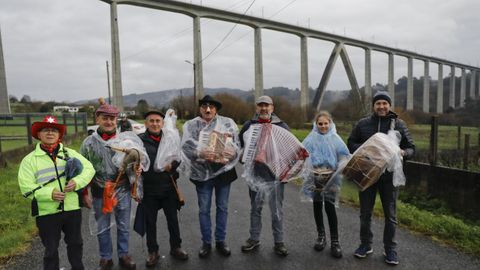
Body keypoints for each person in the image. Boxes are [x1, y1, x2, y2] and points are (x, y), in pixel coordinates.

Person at [18, 115, 95, 270]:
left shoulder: (69, 153)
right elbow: (26, 187)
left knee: (76, 244)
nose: (50, 133)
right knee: (51, 250)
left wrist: (77, 182)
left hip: (72, 209)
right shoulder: (30, 160)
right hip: (47, 212)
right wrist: (49, 194)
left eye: (54, 130)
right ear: (39, 134)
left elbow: (89, 169)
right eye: (46, 130)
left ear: (59, 135)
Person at [347, 91, 415, 265]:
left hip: (389, 177)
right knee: (365, 213)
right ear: (373, 106)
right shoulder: (363, 124)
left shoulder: (399, 124)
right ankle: (365, 245)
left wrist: (403, 152)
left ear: (389, 106)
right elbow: (351, 142)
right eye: (378, 103)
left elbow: (411, 148)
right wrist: (367, 148)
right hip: (367, 174)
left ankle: (390, 249)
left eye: (385, 103)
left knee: (390, 215)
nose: (382, 106)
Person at [181, 95, 240, 258]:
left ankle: (220, 241)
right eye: (204, 106)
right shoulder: (191, 125)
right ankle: (206, 243)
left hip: (224, 173)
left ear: (216, 110)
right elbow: (185, 147)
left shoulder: (227, 123)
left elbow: (237, 145)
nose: (208, 110)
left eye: (211, 107)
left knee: (223, 208)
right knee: (204, 210)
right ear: (200, 109)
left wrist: (233, 151)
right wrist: (198, 152)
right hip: (202, 173)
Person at [80, 104, 137, 270]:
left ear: (116, 120)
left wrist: (135, 176)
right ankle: (106, 258)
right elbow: (82, 169)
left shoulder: (126, 141)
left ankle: (124, 254)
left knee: (123, 225)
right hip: (99, 191)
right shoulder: (88, 143)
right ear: (97, 119)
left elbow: (135, 165)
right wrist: (84, 193)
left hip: (123, 189)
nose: (109, 121)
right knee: (102, 226)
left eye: (112, 118)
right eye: (104, 118)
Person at [238, 95, 290, 257]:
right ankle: (254, 238)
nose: (264, 108)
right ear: (256, 108)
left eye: (266, 106)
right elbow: (240, 146)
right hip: (255, 175)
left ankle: (279, 242)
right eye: (260, 106)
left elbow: (289, 150)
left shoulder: (282, 126)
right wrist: (242, 156)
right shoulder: (248, 126)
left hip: (275, 176)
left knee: (276, 211)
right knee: (255, 209)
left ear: (272, 108)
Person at [137, 110, 188, 267]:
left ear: (163, 123)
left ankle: (176, 247)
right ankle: (153, 252)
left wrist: (172, 165)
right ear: (146, 123)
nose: (154, 123)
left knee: (172, 220)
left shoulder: (170, 138)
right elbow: (134, 158)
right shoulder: (139, 140)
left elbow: (178, 157)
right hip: (149, 188)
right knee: (150, 222)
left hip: (168, 186)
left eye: (158, 121)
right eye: (151, 121)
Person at [301, 111, 350, 258]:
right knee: (317, 205)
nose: (323, 126)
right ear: (316, 125)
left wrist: (340, 167)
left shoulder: (335, 138)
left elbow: (344, 156)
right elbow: (302, 153)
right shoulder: (311, 138)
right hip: (315, 176)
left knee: (330, 207)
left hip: (331, 177)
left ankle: (335, 241)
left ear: (330, 123)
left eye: (325, 123)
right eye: (320, 124)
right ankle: (321, 237)